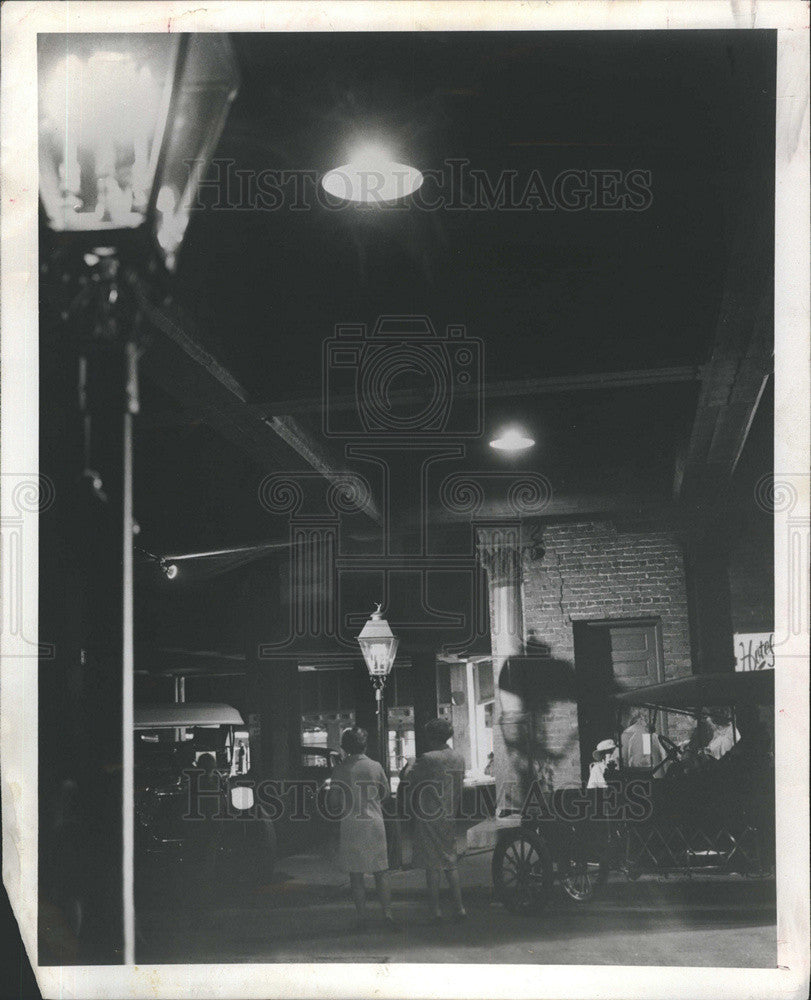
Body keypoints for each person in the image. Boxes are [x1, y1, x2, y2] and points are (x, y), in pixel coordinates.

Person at [327, 727, 395, 929]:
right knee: (381, 871)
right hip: (374, 823)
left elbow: (334, 801)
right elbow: (386, 795)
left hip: (350, 825)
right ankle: (388, 914)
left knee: (356, 875)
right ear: (365, 745)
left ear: (345, 747)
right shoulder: (375, 766)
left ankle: (362, 917)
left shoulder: (340, 769)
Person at [402, 717, 466, 922]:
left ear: (431, 736)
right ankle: (459, 908)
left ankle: (435, 910)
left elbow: (408, 779)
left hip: (429, 815)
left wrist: (410, 762)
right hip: (449, 814)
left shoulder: (428, 759)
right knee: (450, 862)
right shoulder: (458, 757)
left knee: (432, 865)